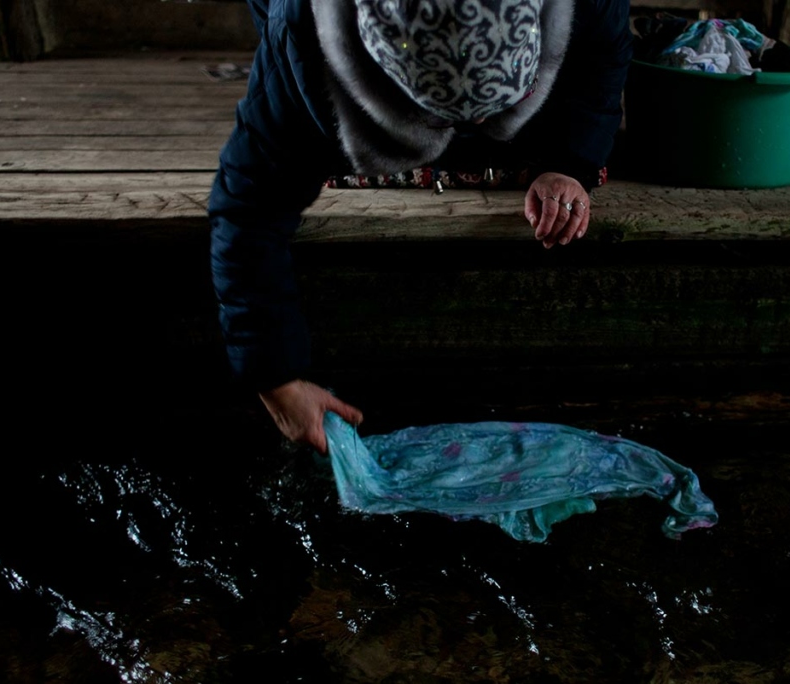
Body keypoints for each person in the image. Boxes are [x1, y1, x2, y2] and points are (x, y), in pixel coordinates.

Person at [209, 0, 633, 452]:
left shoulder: (589, 6)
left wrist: (569, 161)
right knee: (297, 119)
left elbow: (600, 59)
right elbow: (248, 207)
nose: (474, 128)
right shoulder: (300, 29)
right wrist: (276, 379)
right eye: (443, 117)